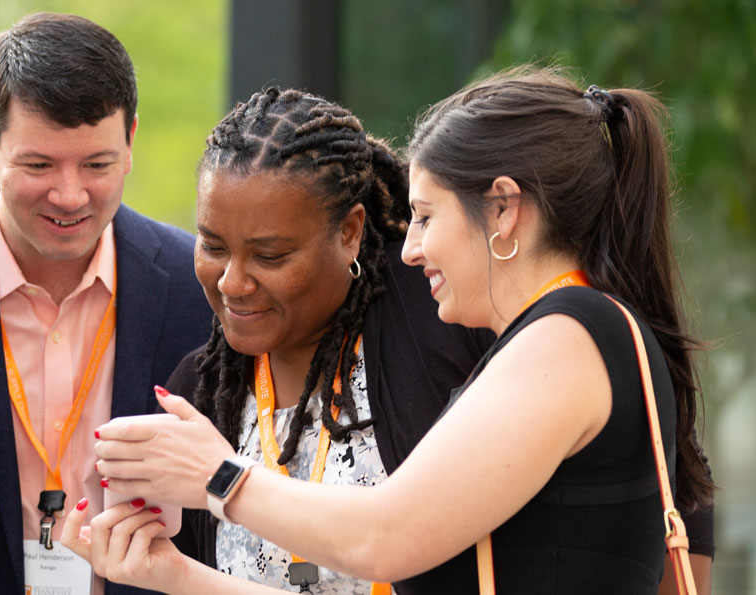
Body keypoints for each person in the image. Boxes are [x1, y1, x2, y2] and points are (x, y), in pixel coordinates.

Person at [69, 67, 716, 594]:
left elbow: (384, 535)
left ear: (504, 209)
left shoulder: (567, 336)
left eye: (428, 217)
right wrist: (176, 575)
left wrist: (219, 476)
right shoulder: (573, 334)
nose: (411, 248)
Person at [0, 12, 214, 595]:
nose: (70, 195)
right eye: (38, 165)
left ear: (131, 141)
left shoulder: (198, 288)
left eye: (97, 165)